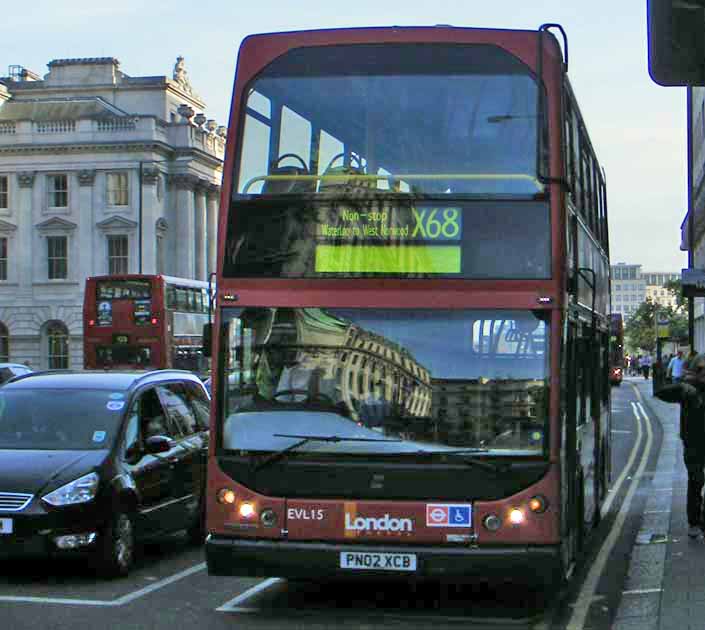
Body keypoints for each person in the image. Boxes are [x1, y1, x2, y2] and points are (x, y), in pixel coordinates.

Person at [655, 352, 705, 538]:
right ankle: (694, 522)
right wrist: (683, 386)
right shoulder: (687, 389)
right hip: (693, 443)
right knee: (696, 480)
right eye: (701, 369)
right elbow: (660, 392)